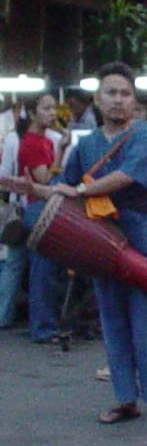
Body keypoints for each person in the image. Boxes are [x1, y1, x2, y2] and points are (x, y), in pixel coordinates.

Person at [0, 62, 147, 426]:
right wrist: (34, 190)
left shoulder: (146, 133)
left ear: (134, 100)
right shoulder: (87, 144)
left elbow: (125, 177)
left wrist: (79, 189)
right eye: (110, 93)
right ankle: (126, 398)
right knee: (112, 315)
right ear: (97, 99)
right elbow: (65, 189)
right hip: (97, 234)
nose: (117, 100)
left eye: (125, 94)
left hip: (141, 232)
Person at [15, 93, 67, 343]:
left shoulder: (43, 140)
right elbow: (45, 178)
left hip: (43, 208)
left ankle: (46, 323)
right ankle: (43, 326)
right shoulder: (33, 142)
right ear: (33, 113)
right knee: (43, 272)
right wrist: (62, 149)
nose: (52, 113)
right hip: (39, 209)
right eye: (46, 108)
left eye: (53, 108)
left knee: (46, 271)